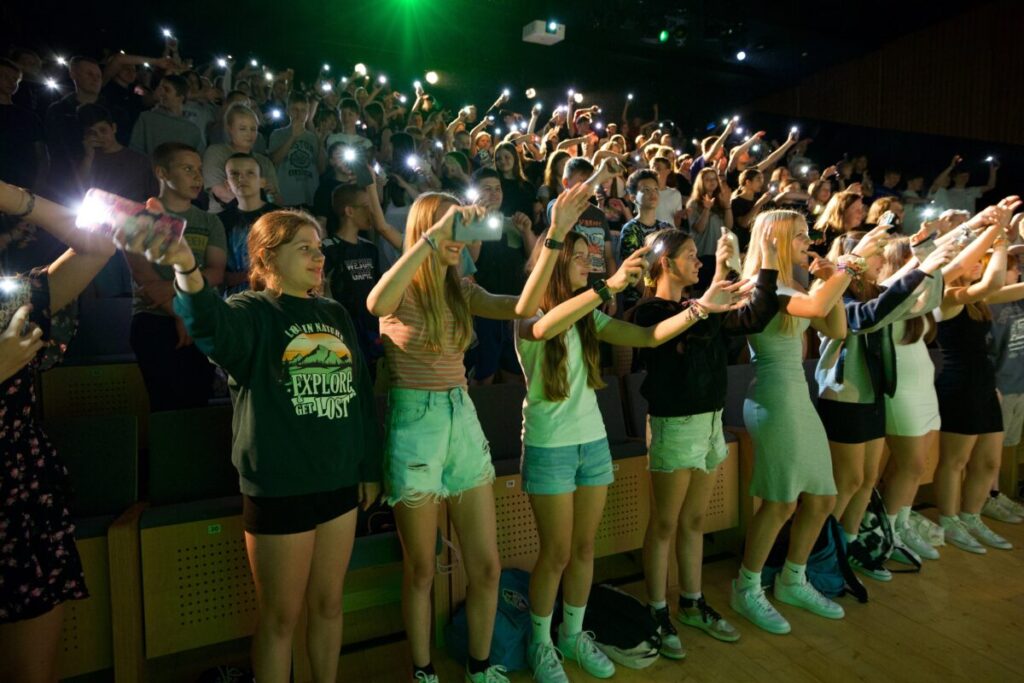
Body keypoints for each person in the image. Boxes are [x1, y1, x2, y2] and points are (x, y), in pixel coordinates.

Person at [122, 206, 381, 683]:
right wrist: (185, 264)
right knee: (280, 619)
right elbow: (208, 326)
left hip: (340, 483)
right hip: (280, 487)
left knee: (328, 605)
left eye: (319, 247)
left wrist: (368, 467)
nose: (318, 256)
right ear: (267, 256)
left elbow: (360, 397)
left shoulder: (335, 313)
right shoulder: (250, 310)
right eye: (303, 247)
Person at [365, 183, 597, 683]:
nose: (462, 238)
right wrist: (431, 240)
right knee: (422, 569)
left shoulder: (461, 288)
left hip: (461, 418)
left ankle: (479, 665)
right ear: (426, 228)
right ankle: (424, 671)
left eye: (464, 227)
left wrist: (553, 235)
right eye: (454, 227)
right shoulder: (402, 286)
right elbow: (375, 300)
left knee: (486, 566)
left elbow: (523, 307)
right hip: (415, 423)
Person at [517, 223, 744, 682]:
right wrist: (609, 285)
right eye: (580, 256)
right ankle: (541, 643)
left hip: (592, 443)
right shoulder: (528, 314)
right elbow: (543, 327)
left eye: (589, 256)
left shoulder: (589, 316)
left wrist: (699, 308)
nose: (589, 263)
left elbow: (648, 337)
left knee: (584, 549)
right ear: (556, 263)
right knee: (556, 553)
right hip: (550, 446)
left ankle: (573, 634)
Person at [732, 210, 881, 635]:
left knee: (820, 496)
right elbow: (817, 307)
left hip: (799, 396)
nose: (807, 240)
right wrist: (849, 264)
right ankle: (746, 588)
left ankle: (792, 579)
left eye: (806, 234)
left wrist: (830, 277)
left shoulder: (795, 285)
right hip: (774, 398)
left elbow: (835, 326)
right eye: (798, 236)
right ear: (775, 240)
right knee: (780, 501)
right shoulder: (758, 287)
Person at [633, 228, 779, 655]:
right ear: (666, 262)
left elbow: (755, 316)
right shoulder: (648, 311)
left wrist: (764, 262)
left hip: (711, 420)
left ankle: (692, 602)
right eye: (692, 255)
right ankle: (657, 609)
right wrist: (716, 287)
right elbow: (683, 335)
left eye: (700, 256)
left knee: (695, 520)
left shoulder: (702, 305)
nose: (698, 262)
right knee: (664, 522)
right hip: (674, 423)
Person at [0, 180, 115, 683]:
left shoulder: (15, 299)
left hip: (19, 492)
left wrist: (14, 196)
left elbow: (98, 244)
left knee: (32, 671)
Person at [814, 229, 953, 580]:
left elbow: (925, 301)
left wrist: (930, 262)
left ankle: (847, 549)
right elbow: (867, 318)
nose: (885, 258)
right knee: (845, 483)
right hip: (844, 395)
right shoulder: (835, 291)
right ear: (857, 259)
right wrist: (920, 268)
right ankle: (821, 554)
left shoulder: (876, 290)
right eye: (877, 251)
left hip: (873, 394)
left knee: (866, 481)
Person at [934, 196, 1023, 553]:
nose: (980, 266)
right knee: (954, 461)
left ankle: (972, 516)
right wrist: (999, 237)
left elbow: (1009, 287)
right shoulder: (948, 296)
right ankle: (949, 519)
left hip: (984, 383)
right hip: (959, 385)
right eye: (976, 261)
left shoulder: (978, 299)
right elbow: (991, 284)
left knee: (988, 461)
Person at [124, 142, 226, 411]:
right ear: (163, 173)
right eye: (187, 169)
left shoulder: (210, 221)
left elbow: (216, 272)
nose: (197, 177)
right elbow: (146, 281)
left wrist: (176, 293)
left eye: (199, 170)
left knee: (199, 404)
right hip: (155, 320)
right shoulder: (140, 218)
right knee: (166, 406)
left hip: (201, 319)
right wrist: (180, 313)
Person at [465, 167, 537, 384]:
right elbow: (470, 261)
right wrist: (477, 218)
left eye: (498, 189)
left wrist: (526, 231)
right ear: (473, 192)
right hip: (484, 307)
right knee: (484, 371)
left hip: (515, 305)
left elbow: (533, 261)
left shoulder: (511, 221)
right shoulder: (465, 221)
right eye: (487, 189)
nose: (494, 194)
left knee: (515, 370)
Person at [983, 245, 1024, 523]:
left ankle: (995, 494)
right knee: (990, 451)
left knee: (1005, 446)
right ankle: (988, 496)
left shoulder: (1017, 298)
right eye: (1012, 267)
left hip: (1019, 383)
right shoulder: (989, 302)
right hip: (1000, 385)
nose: (1018, 270)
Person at [45, 57, 106, 202]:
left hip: (105, 182)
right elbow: (54, 147)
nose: (95, 79)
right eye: (89, 74)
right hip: (64, 184)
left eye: (98, 76)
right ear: (73, 74)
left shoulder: (114, 110)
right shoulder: (58, 110)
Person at [220, 153, 279, 295]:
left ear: (262, 182)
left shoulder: (280, 217)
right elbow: (219, 274)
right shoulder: (220, 221)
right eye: (234, 174)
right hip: (235, 302)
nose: (241, 178)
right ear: (227, 184)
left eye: (250, 173)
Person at [202, 103, 279, 212]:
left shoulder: (264, 162)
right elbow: (220, 192)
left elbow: (277, 199)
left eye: (253, 129)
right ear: (230, 129)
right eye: (242, 129)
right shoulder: (216, 153)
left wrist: (273, 195)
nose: (249, 134)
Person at [76, 103, 159, 202]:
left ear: (113, 128)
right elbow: (78, 190)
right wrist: (88, 156)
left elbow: (154, 198)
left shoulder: (141, 161)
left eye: (103, 130)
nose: (99, 136)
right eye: (92, 133)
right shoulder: (86, 160)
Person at [617, 169, 672, 310]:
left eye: (655, 189)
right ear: (633, 197)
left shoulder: (666, 227)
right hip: (639, 301)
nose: (653, 193)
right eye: (646, 190)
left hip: (664, 296)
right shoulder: (631, 229)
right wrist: (654, 297)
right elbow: (634, 272)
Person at [129, 74, 205, 157]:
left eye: (167, 90)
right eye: (160, 89)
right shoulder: (146, 118)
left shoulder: (192, 130)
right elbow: (135, 151)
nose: (161, 93)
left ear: (180, 97)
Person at [0, 58, 46, 192]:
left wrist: (39, 185)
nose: (11, 82)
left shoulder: (28, 116)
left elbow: (42, 154)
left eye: (15, 79)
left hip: (22, 185)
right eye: (4, 76)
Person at [268, 93, 320, 208]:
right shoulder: (277, 134)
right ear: (288, 111)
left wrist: (321, 141)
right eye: (295, 109)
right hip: (285, 198)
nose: (299, 114)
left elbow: (321, 167)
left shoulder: (313, 137)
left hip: (308, 198)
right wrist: (293, 137)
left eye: (303, 111)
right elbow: (273, 161)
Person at [651, 156, 684, 228]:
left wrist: (679, 216)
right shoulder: (645, 193)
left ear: (668, 171)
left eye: (658, 169)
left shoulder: (675, 194)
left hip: (669, 236)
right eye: (652, 168)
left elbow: (677, 224)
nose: (654, 171)